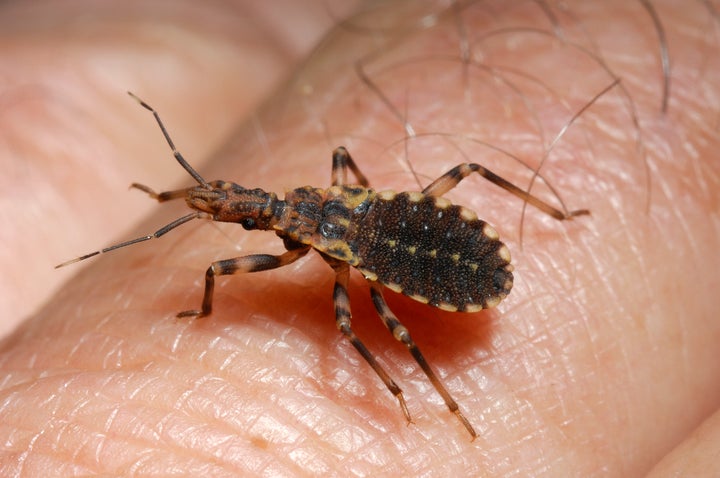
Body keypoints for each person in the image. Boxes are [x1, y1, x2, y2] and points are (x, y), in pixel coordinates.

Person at [0, 1, 717, 475]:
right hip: (385, 225)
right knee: (445, 191)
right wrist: (170, 196)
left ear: (282, 225)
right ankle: (543, 240)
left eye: (258, 216)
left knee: (368, 331)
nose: (252, 216)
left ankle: (452, 402)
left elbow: (338, 311)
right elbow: (234, 197)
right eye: (254, 215)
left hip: (404, 251)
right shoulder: (311, 201)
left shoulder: (311, 245)